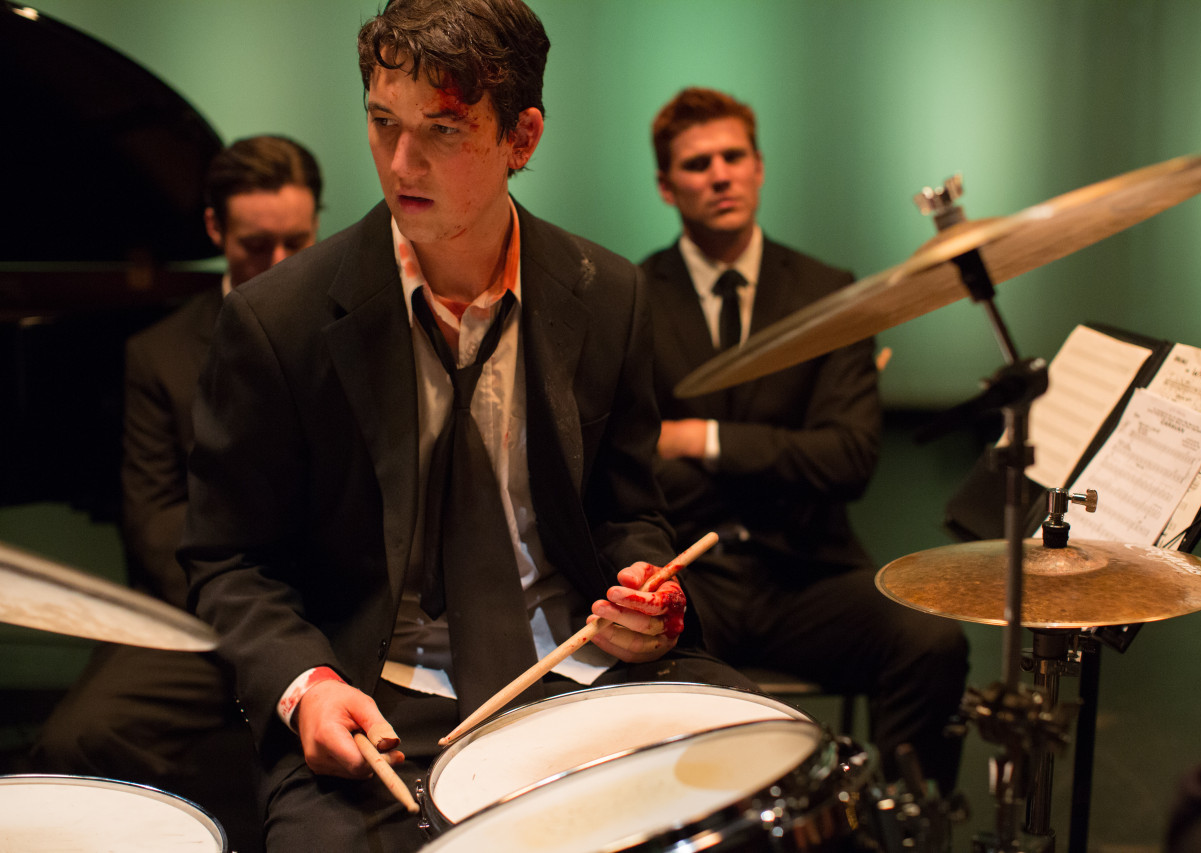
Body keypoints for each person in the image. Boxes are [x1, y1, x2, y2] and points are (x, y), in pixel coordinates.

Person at [178, 4, 752, 851]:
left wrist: (645, 588)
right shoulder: (278, 320)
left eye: (443, 130)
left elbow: (628, 512)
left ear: (523, 137)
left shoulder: (609, 293)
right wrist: (307, 683)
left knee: (769, 786)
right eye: (383, 122)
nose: (400, 163)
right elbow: (229, 560)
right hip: (379, 694)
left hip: (579, 665)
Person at [639, 86, 970, 793]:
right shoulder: (631, 297)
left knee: (932, 639)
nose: (720, 175)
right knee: (649, 668)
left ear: (759, 168)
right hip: (691, 576)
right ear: (667, 186)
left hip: (807, 571)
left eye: (734, 157)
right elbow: (630, 469)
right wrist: (783, 455)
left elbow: (848, 460)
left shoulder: (828, 292)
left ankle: (900, 826)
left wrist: (698, 438)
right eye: (697, 164)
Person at [28, 135, 322, 853]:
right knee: (75, 740)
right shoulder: (157, 353)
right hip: (205, 616)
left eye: (297, 243)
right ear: (216, 229)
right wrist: (243, 609)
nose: (279, 264)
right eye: (256, 246)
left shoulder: (359, 329)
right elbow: (156, 522)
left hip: (330, 611)